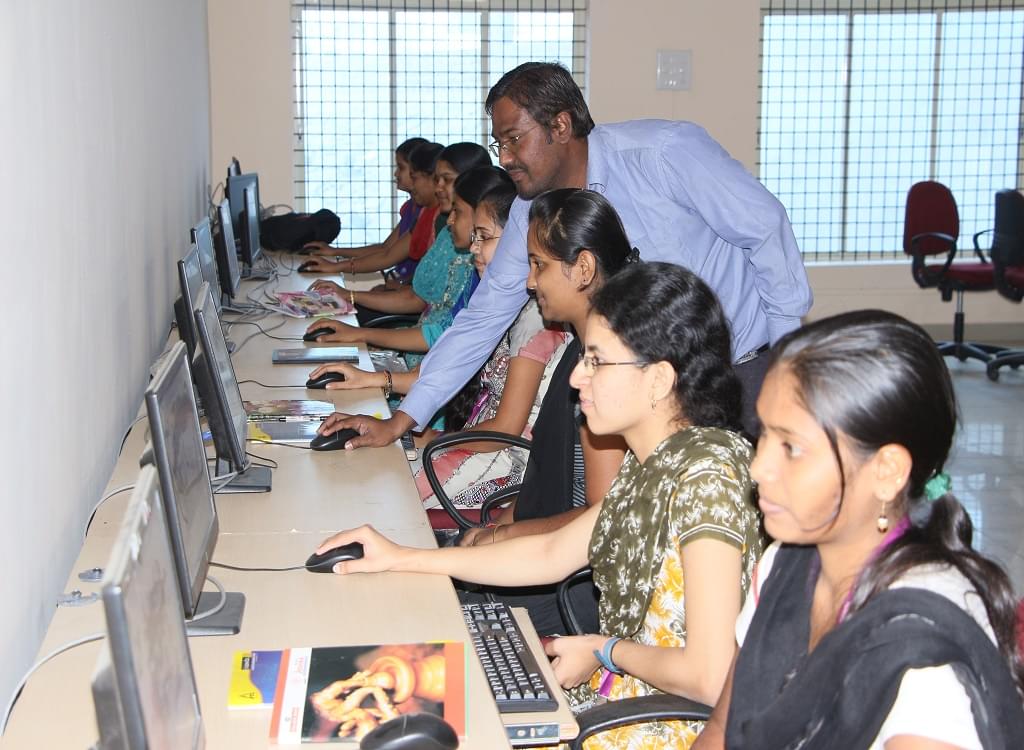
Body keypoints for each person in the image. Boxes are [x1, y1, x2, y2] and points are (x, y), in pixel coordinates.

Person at [314, 261, 762, 749]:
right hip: (615, 702)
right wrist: (402, 558)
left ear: (657, 380)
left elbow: (710, 674)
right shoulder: (654, 462)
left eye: (596, 361)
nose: (576, 379)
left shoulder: (708, 478)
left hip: (651, 731)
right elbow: (550, 554)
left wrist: (606, 649)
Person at [333, 61, 813, 450]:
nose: (504, 157)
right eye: (498, 143)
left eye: (513, 138)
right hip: (642, 391)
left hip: (740, 367)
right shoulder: (529, 208)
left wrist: (785, 359)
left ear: (560, 125)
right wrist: (403, 420)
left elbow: (765, 228)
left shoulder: (663, 153)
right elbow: (483, 316)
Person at [694, 310, 1024, 750]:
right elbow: (720, 731)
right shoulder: (785, 563)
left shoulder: (923, 653)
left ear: (886, 471)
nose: (758, 468)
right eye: (763, 435)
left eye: (791, 447)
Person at [308, 180, 570, 512]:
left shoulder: (536, 320)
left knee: (377, 496)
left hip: (502, 469)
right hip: (476, 444)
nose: (473, 248)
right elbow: (454, 372)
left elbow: (505, 428)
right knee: (361, 473)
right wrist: (407, 430)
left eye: (484, 237)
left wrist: (427, 439)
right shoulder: (503, 307)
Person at [304, 165, 511, 373]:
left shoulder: (483, 274)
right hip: (423, 360)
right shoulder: (464, 256)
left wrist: (361, 331)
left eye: (445, 179)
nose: (449, 219)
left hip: (428, 365)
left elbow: (440, 334)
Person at [308, 143, 491, 321]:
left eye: (446, 179)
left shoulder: (453, 228)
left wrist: (347, 286)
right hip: (419, 315)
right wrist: (337, 263)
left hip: (422, 321)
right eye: (437, 180)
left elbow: (428, 307)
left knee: (340, 318)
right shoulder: (436, 223)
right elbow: (388, 251)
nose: (438, 187)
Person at [302, 136, 428, 261]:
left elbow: (387, 254)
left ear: (417, 170)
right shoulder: (409, 208)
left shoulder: (426, 213)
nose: (396, 173)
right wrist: (335, 251)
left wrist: (336, 263)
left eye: (401, 167)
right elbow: (385, 248)